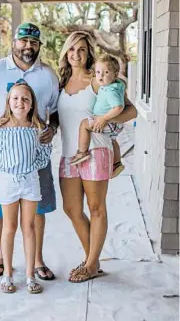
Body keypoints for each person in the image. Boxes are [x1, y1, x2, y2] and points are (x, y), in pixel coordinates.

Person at [0, 23, 60, 281]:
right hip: (4, 154)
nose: (28, 46)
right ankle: (3, 259)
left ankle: (37, 261)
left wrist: (52, 129)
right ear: (13, 42)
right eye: (23, 41)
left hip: (35, 148)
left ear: (39, 46)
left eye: (33, 42)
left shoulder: (48, 75)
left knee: (37, 207)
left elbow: (55, 111)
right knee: (2, 207)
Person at [57, 31, 137, 283]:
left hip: (96, 152)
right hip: (69, 154)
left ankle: (90, 264)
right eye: (72, 49)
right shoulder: (62, 82)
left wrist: (104, 119)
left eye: (81, 49)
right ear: (66, 52)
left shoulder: (99, 79)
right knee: (71, 208)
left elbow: (131, 110)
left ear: (88, 53)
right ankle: (94, 259)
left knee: (95, 208)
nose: (76, 54)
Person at [0, 82, 52, 294]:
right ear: (9, 103)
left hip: (30, 181)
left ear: (31, 105)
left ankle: (30, 276)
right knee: (9, 228)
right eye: (16, 99)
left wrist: (29, 167)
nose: (20, 102)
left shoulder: (37, 129)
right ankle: (8, 274)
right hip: (8, 181)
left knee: (28, 228)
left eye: (25, 99)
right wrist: (2, 169)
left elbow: (43, 155)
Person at [70, 54, 125, 165]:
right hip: (115, 124)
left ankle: (82, 152)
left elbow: (119, 107)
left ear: (115, 74)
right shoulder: (115, 86)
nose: (100, 76)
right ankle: (117, 163)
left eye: (106, 73)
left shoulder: (110, 91)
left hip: (109, 122)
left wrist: (103, 118)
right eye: (98, 72)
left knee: (84, 124)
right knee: (113, 139)